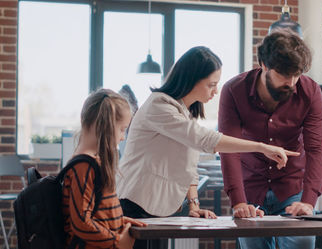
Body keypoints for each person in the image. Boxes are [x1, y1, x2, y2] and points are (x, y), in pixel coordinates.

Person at [116, 46, 299, 249]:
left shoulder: (185, 112)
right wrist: (261, 147)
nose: (216, 91)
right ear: (191, 80)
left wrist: (194, 206)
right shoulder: (159, 106)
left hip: (159, 209)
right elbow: (205, 139)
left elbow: (188, 166)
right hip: (135, 204)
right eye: (211, 84)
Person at [219, 30, 322, 249]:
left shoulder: (310, 91)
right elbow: (229, 148)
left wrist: (308, 201)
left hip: (292, 188)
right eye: (284, 74)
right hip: (250, 189)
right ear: (264, 65)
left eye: (296, 74)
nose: (291, 82)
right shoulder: (233, 90)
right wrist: (238, 201)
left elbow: (316, 148)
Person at [62, 88, 146, 249]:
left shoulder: (91, 163)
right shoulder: (84, 166)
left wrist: (118, 219)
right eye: (122, 129)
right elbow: (81, 222)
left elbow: (96, 211)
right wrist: (117, 242)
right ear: (105, 126)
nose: (122, 137)